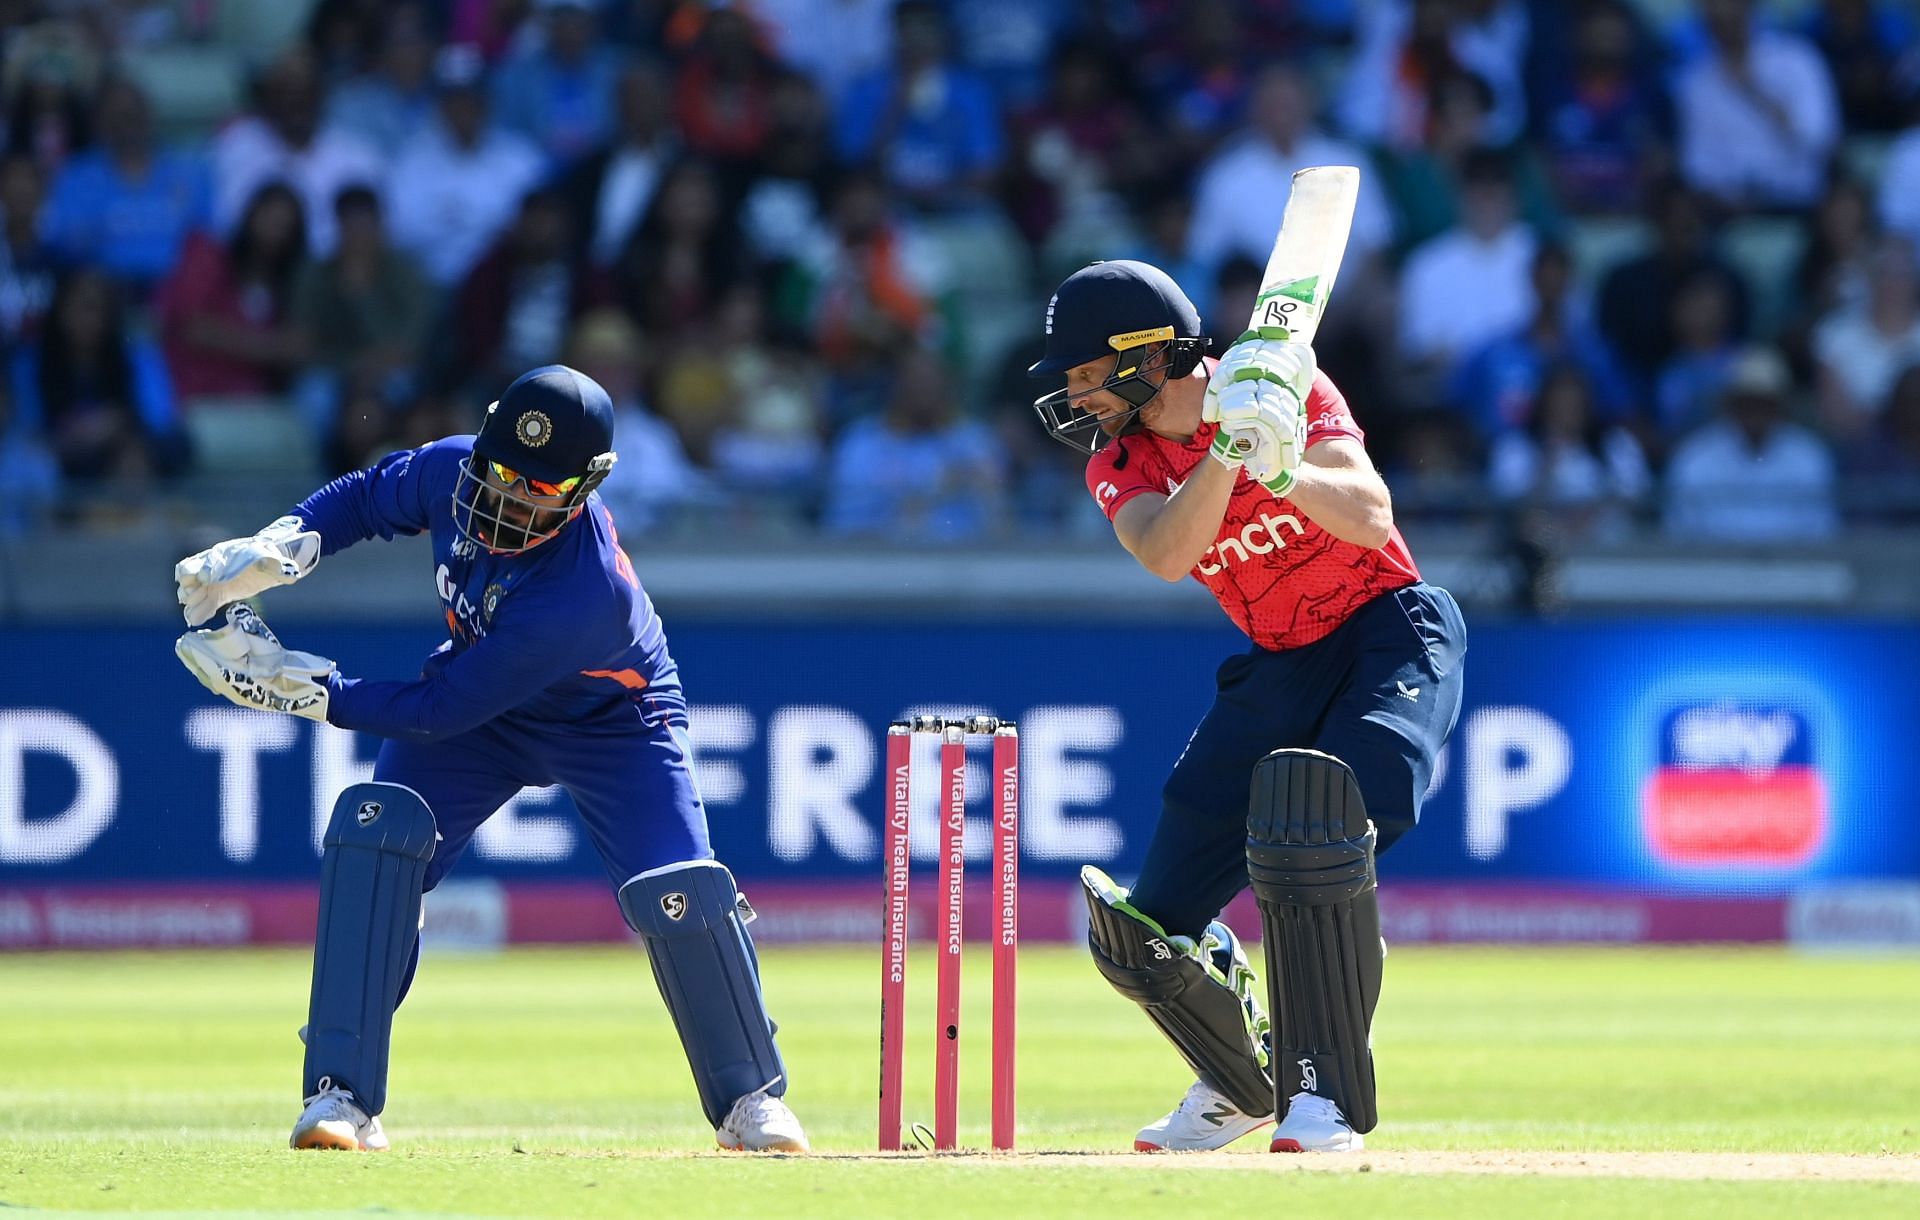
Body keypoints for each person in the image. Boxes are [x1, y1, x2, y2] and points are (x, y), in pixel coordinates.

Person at [171, 365, 809, 1155]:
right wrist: (280, 547)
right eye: (502, 473)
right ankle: (340, 1097)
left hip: (614, 722)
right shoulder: (450, 467)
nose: (509, 500)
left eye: (540, 490)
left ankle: (750, 1100)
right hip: (485, 706)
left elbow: (440, 712)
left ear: (588, 486)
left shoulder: (583, 594)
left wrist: (307, 690)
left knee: (675, 885)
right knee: (375, 838)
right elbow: (369, 497)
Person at [1027, 260, 1466, 1154]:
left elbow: (1371, 517)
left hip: (1388, 629)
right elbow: (1165, 550)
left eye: (1081, 375)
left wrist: (1286, 462)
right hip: (1279, 661)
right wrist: (1231, 452)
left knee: (1321, 827)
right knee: (1141, 931)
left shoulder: (1285, 383)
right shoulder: (1123, 461)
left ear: (1144, 357)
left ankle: (1327, 1096)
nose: (1075, 399)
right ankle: (1241, 1082)